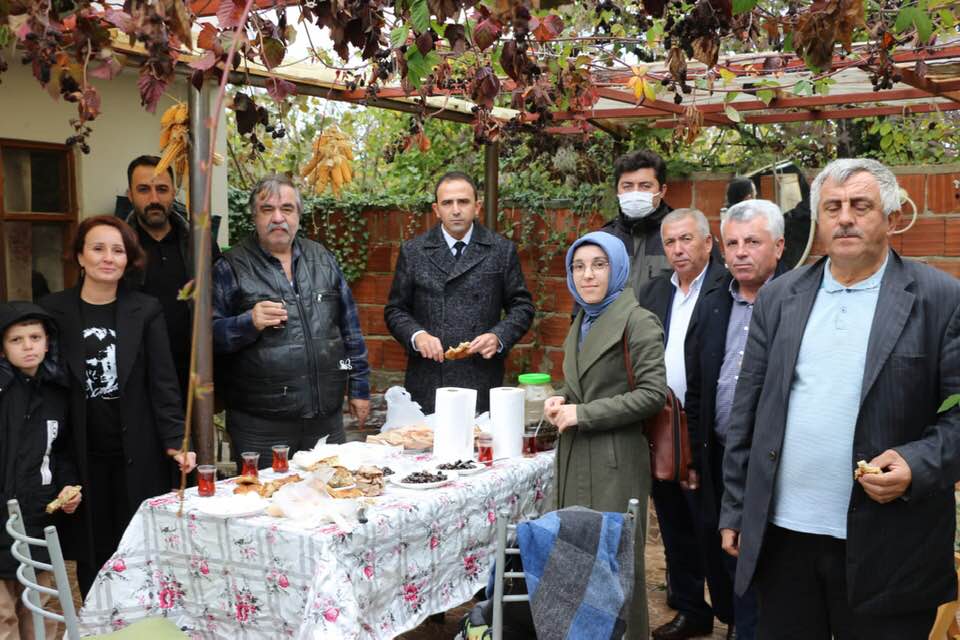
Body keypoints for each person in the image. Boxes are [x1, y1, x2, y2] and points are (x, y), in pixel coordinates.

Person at [719, 159, 960, 638]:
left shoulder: (939, 298)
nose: (845, 217)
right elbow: (750, 408)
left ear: (891, 218)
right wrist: (737, 506)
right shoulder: (780, 296)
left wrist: (918, 464)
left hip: (890, 544)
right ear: (817, 221)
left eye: (860, 205)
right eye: (832, 207)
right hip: (785, 537)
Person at [39, 215, 195, 597]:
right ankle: (98, 623)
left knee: (139, 546)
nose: (108, 257)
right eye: (98, 248)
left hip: (136, 448)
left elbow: (163, 381)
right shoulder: (53, 311)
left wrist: (176, 438)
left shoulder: (146, 310)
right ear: (79, 256)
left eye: (118, 250)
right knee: (92, 551)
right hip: (79, 451)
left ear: (128, 259)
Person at [544, 231, 667, 640]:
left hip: (615, 459)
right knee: (576, 560)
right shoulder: (582, 317)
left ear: (617, 268)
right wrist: (561, 400)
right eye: (578, 266)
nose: (587, 275)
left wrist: (583, 413)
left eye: (599, 265)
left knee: (615, 565)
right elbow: (582, 384)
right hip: (575, 454)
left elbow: (652, 395)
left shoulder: (637, 320)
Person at [685, 199, 788, 640]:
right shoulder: (711, 303)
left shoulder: (797, 302)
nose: (741, 252)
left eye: (753, 242)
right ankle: (736, 623)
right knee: (721, 548)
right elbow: (696, 386)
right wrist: (692, 454)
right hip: (719, 454)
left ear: (779, 247)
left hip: (774, 460)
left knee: (765, 558)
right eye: (732, 243)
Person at [213, 175, 371, 463]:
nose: (277, 218)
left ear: (298, 215)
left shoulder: (322, 258)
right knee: (263, 504)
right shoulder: (231, 266)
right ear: (254, 216)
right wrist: (248, 322)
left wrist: (358, 387)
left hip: (326, 420)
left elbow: (349, 332)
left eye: (286, 209)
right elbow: (208, 338)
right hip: (259, 427)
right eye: (267, 209)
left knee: (327, 501)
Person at [635, 209, 732, 640]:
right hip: (663, 429)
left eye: (687, 240)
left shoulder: (727, 288)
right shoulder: (655, 291)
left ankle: (734, 617)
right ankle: (692, 610)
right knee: (675, 528)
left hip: (711, 432)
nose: (678, 249)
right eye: (671, 242)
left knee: (715, 531)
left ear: (708, 243)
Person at [384, 171, 534, 414]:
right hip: (429, 379)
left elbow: (522, 307)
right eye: (447, 203)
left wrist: (498, 337)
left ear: (477, 207)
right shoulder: (414, 251)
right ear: (436, 209)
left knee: (477, 449)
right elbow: (395, 310)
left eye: (463, 202)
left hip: (481, 377)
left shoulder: (501, 250)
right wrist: (417, 335)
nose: (455, 210)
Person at [0, 302, 82, 639]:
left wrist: (68, 486)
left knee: (41, 607)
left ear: (48, 342)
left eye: (35, 337)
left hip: (39, 517)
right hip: (0, 516)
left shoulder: (57, 394)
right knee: (3, 615)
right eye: (16, 340)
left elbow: (61, 452)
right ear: (3, 349)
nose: (28, 345)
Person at [124, 155, 222, 403]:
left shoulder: (200, 243)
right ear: (130, 195)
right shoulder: (117, 248)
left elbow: (221, 303)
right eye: (144, 190)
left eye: (162, 189)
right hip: (139, 378)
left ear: (174, 192)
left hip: (193, 377)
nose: (154, 199)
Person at [600, 150, 675, 296]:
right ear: (617, 190)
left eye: (645, 186)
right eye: (627, 186)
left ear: (662, 190)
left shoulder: (685, 236)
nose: (635, 193)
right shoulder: (604, 240)